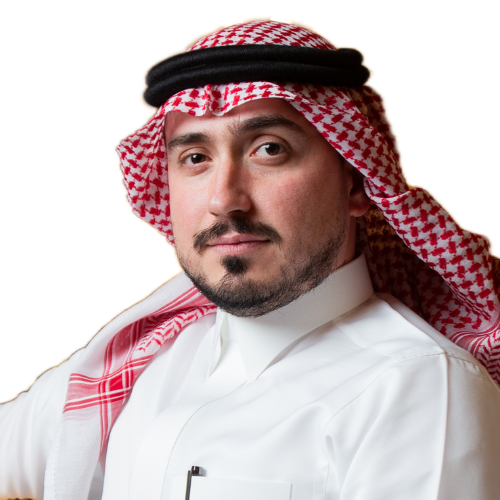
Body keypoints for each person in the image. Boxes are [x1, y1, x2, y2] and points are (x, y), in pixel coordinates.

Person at [1, 16, 499, 500]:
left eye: (269, 149)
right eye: (195, 158)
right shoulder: (143, 355)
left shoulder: (416, 387)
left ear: (355, 181)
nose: (224, 199)